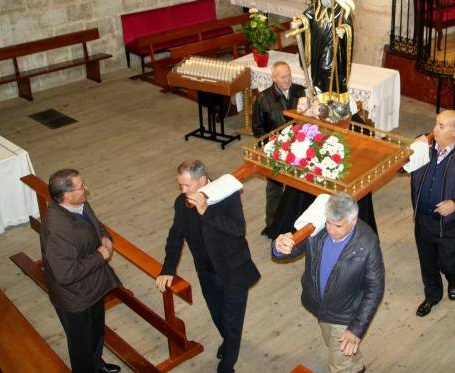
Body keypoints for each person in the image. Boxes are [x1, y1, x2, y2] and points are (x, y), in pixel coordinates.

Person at [155, 160, 260, 373]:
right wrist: (168, 269)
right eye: (180, 186)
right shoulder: (181, 202)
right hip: (206, 271)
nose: (183, 191)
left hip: (233, 270)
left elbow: (237, 229)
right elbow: (175, 236)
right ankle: (229, 341)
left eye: (187, 185)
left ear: (202, 180)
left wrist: (206, 211)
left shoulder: (227, 195)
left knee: (232, 320)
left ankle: (227, 365)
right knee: (217, 314)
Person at [273, 194, 384, 373]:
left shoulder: (367, 243)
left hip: (345, 315)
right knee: (334, 344)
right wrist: (279, 247)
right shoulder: (318, 229)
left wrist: (356, 329)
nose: (331, 230)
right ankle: (357, 366)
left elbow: (375, 289)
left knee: (339, 364)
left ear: (353, 221)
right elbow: (292, 249)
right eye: (329, 222)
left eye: (338, 225)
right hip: (320, 307)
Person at [40, 169, 121, 373]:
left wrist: (104, 236)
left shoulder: (79, 204)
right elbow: (65, 274)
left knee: (96, 331)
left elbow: (95, 224)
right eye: (81, 186)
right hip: (74, 297)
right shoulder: (57, 230)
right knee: (80, 345)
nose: (86, 188)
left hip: (92, 285)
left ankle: (97, 364)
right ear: (66, 195)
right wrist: (100, 255)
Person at [410, 109, 455, 317]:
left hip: (450, 225)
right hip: (423, 219)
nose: (434, 129)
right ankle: (432, 296)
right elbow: (402, 167)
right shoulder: (423, 147)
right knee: (427, 261)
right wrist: (410, 150)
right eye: (436, 123)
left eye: (441, 126)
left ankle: (454, 278)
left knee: (448, 262)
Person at [252, 61, 306, 237]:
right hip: (276, 150)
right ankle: (272, 225)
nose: (288, 79)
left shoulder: (301, 92)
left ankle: (297, 224)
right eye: (283, 76)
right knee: (274, 189)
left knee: (298, 189)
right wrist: (274, 145)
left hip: (300, 148)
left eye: (289, 74)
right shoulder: (263, 99)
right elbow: (258, 129)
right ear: (274, 78)